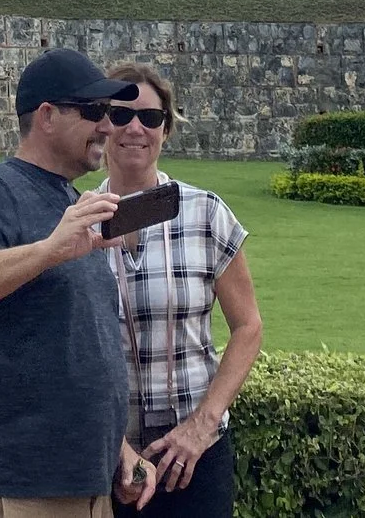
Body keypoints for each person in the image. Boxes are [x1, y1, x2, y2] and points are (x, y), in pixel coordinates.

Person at [0, 47, 159, 518]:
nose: (108, 126)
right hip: (20, 488)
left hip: (83, 488)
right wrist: (48, 250)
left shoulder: (72, 202)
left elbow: (75, 349)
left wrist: (119, 450)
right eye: (93, 111)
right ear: (47, 116)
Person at [98, 64, 262, 518]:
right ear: (103, 124)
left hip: (194, 456)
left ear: (166, 130)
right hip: (110, 456)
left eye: (150, 118)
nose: (135, 128)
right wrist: (118, 451)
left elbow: (248, 327)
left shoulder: (205, 213)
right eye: (121, 115)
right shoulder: (79, 219)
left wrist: (201, 426)